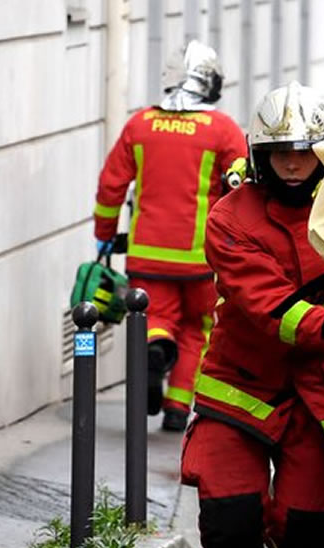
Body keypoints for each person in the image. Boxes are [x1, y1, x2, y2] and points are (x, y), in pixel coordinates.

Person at [181, 82, 324, 548]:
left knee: (313, 532)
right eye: (280, 150)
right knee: (230, 527)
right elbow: (267, 305)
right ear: (259, 155)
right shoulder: (230, 217)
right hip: (239, 390)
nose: (293, 162)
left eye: (306, 149)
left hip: (320, 395)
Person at [92, 40, 246, 432]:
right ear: (210, 83)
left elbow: (112, 186)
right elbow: (242, 189)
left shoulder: (140, 124)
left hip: (147, 254)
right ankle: (178, 407)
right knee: (198, 328)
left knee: (155, 318)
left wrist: (104, 234)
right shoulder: (224, 130)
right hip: (202, 259)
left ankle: (156, 351)